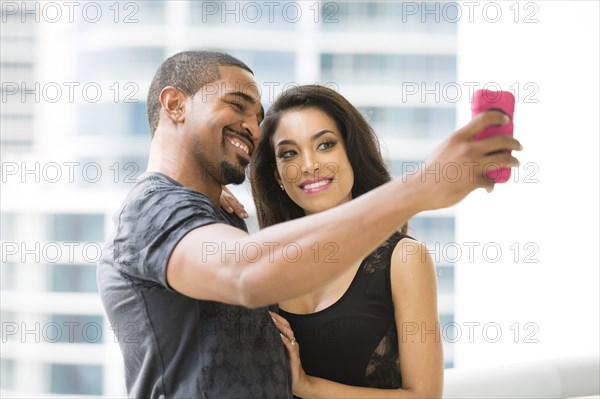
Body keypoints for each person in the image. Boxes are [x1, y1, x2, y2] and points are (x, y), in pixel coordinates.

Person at [97, 50, 521, 398]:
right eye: (236, 105)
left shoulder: (212, 218)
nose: (250, 126)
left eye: (325, 144)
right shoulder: (155, 213)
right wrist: (419, 187)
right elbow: (246, 272)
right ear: (174, 104)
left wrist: (206, 200)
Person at [251, 85, 443, 398]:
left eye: (325, 144)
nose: (309, 165)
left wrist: (307, 387)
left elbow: (425, 396)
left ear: (352, 153)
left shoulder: (404, 259)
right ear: (277, 176)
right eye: (289, 153)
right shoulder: (262, 264)